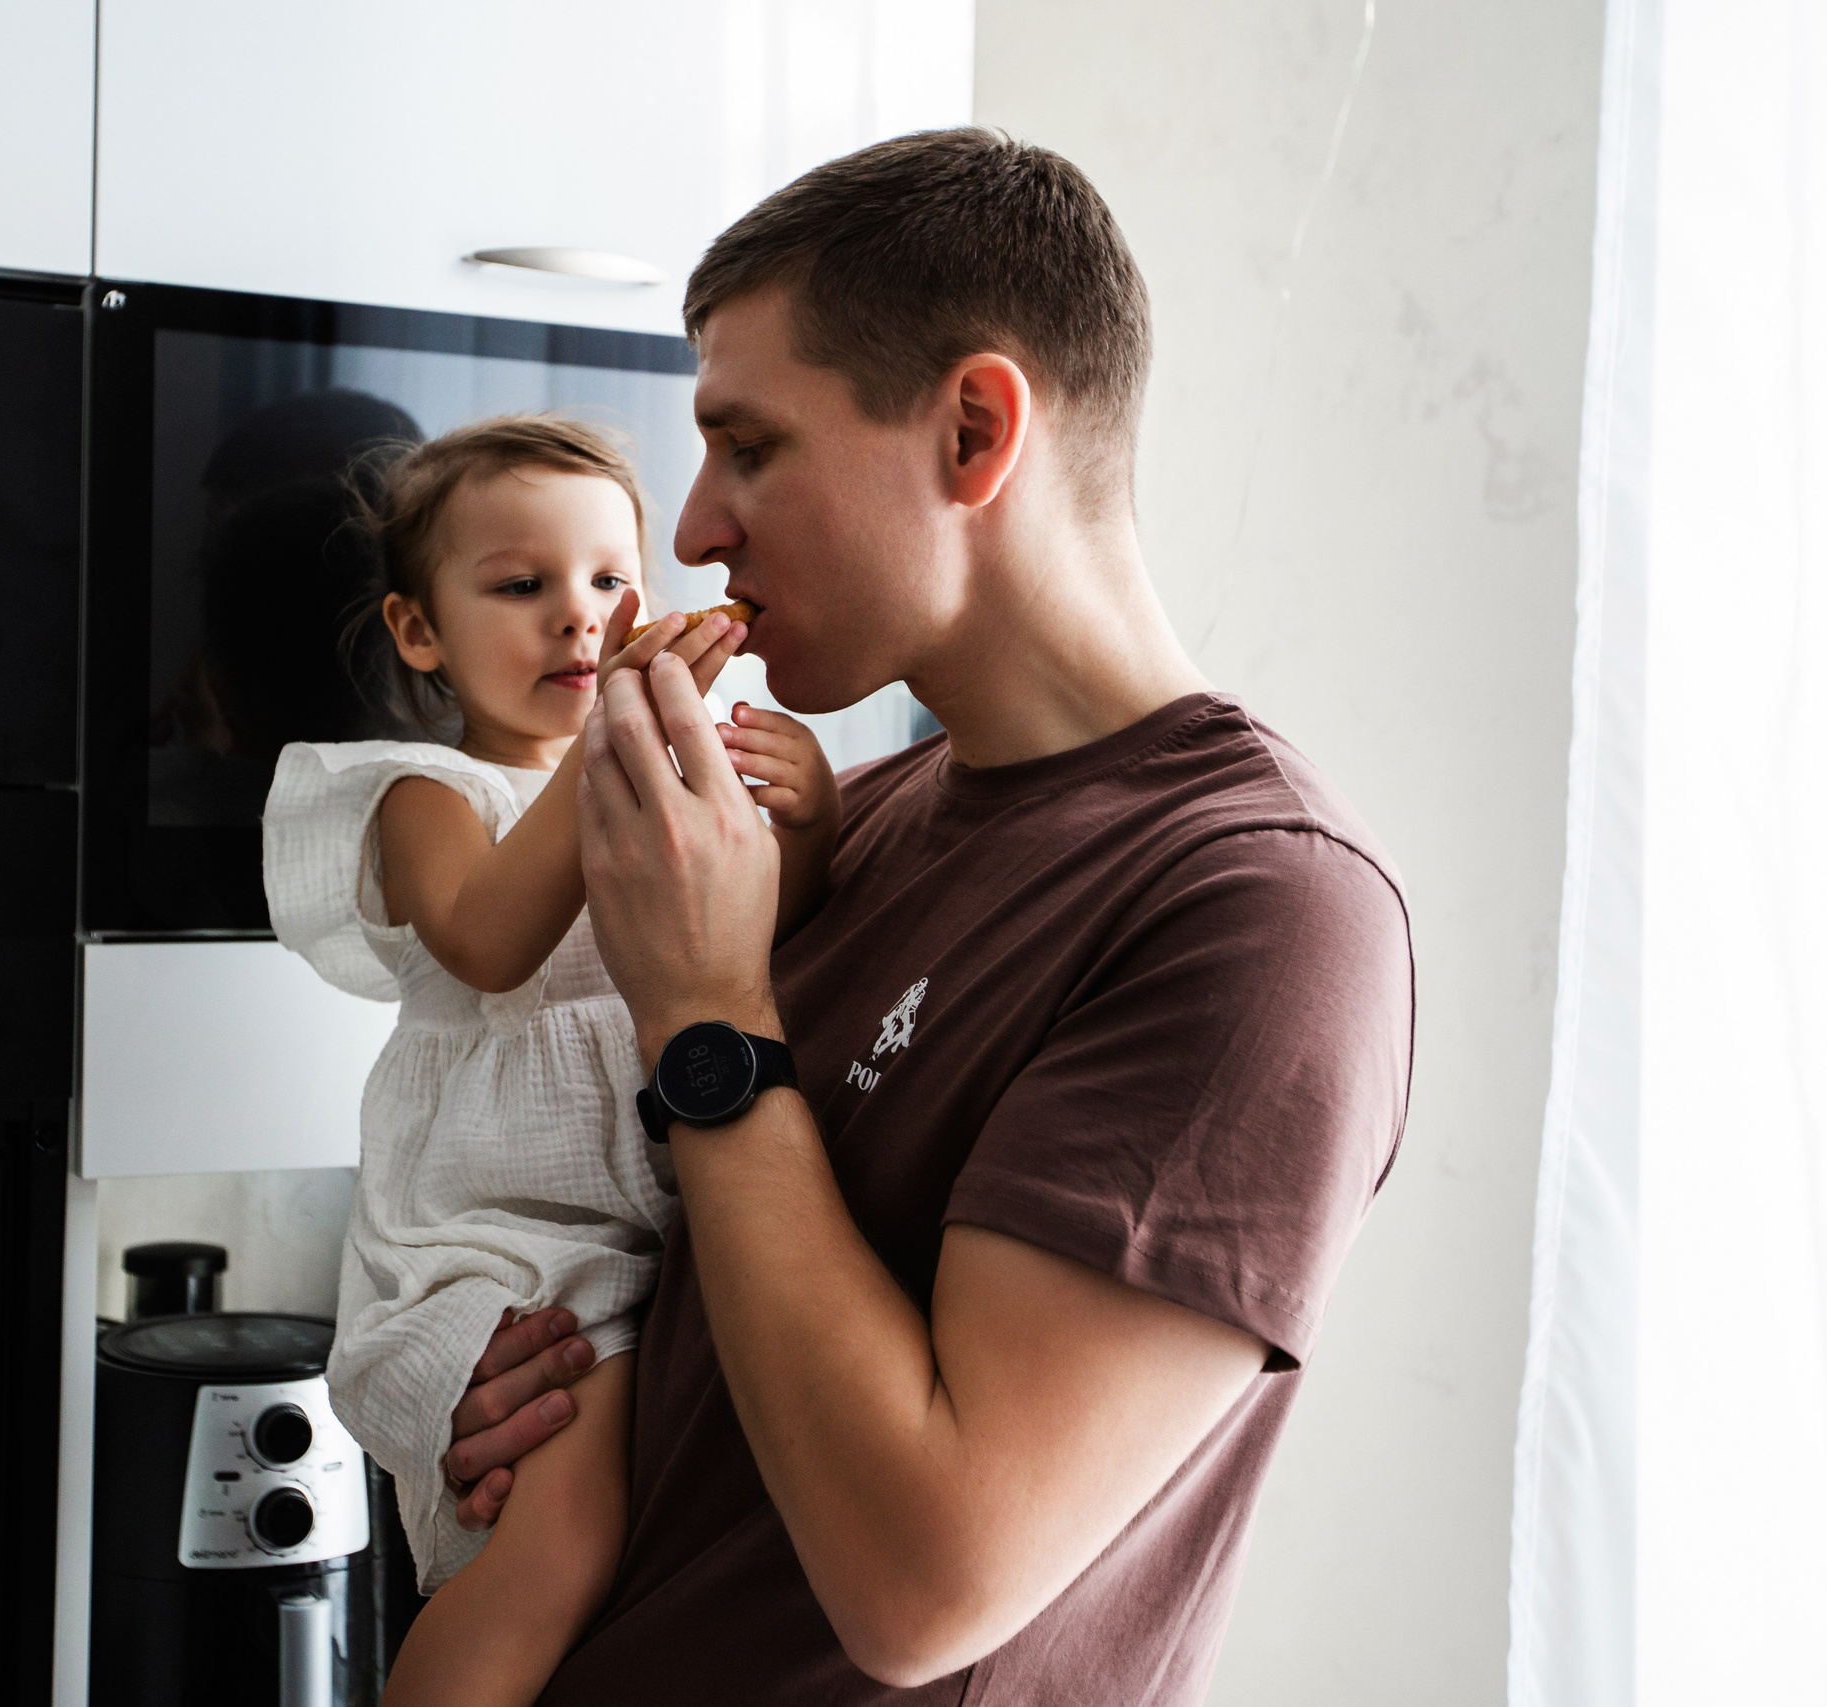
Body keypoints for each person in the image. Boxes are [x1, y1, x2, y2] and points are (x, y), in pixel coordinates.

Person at [441, 129, 1417, 1705]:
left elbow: (922, 1583)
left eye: (749, 447)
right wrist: (551, 1388)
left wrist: (702, 1014)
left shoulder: (1263, 909)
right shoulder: (863, 818)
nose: (692, 534)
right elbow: (739, 1331)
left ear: (974, 428)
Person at [259, 414, 839, 1706]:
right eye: (521, 587)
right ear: (422, 633)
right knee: (555, 1547)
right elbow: (486, 942)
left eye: (608, 582)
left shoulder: (657, 778)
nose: (578, 620)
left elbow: (765, 947)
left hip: (648, 1232)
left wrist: (812, 822)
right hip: (498, 1240)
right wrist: (611, 755)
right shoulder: (423, 793)